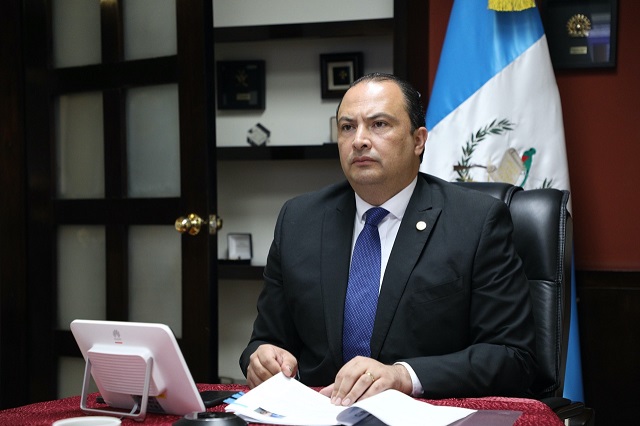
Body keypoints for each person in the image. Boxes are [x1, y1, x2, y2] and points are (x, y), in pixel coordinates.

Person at [239, 73, 537, 406]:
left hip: (424, 413)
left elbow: (512, 357)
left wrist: (404, 376)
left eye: (379, 124)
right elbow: (265, 340)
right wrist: (262, 358)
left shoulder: (476, 221)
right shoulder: (299, 219)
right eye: (347, 127)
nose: (359, 141)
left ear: (418, 140)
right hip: (319, 412)